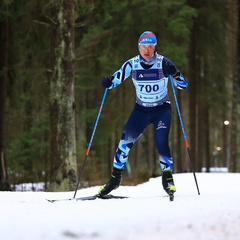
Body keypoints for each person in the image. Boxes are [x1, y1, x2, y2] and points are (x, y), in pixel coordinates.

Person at [97, 31, 188, 199]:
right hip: (141, 110)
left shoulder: (164, 63)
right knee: (124, 143)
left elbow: (183, 85)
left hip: (162, 109)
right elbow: (115, 79)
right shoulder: (131, 64)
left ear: (155, 47)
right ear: (139, 47)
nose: (147, 50)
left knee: (162, 142)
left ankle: (167, 179)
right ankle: (115, 178)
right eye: (144, 47)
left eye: (150, 47)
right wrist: (108, 82)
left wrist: (175, 73)